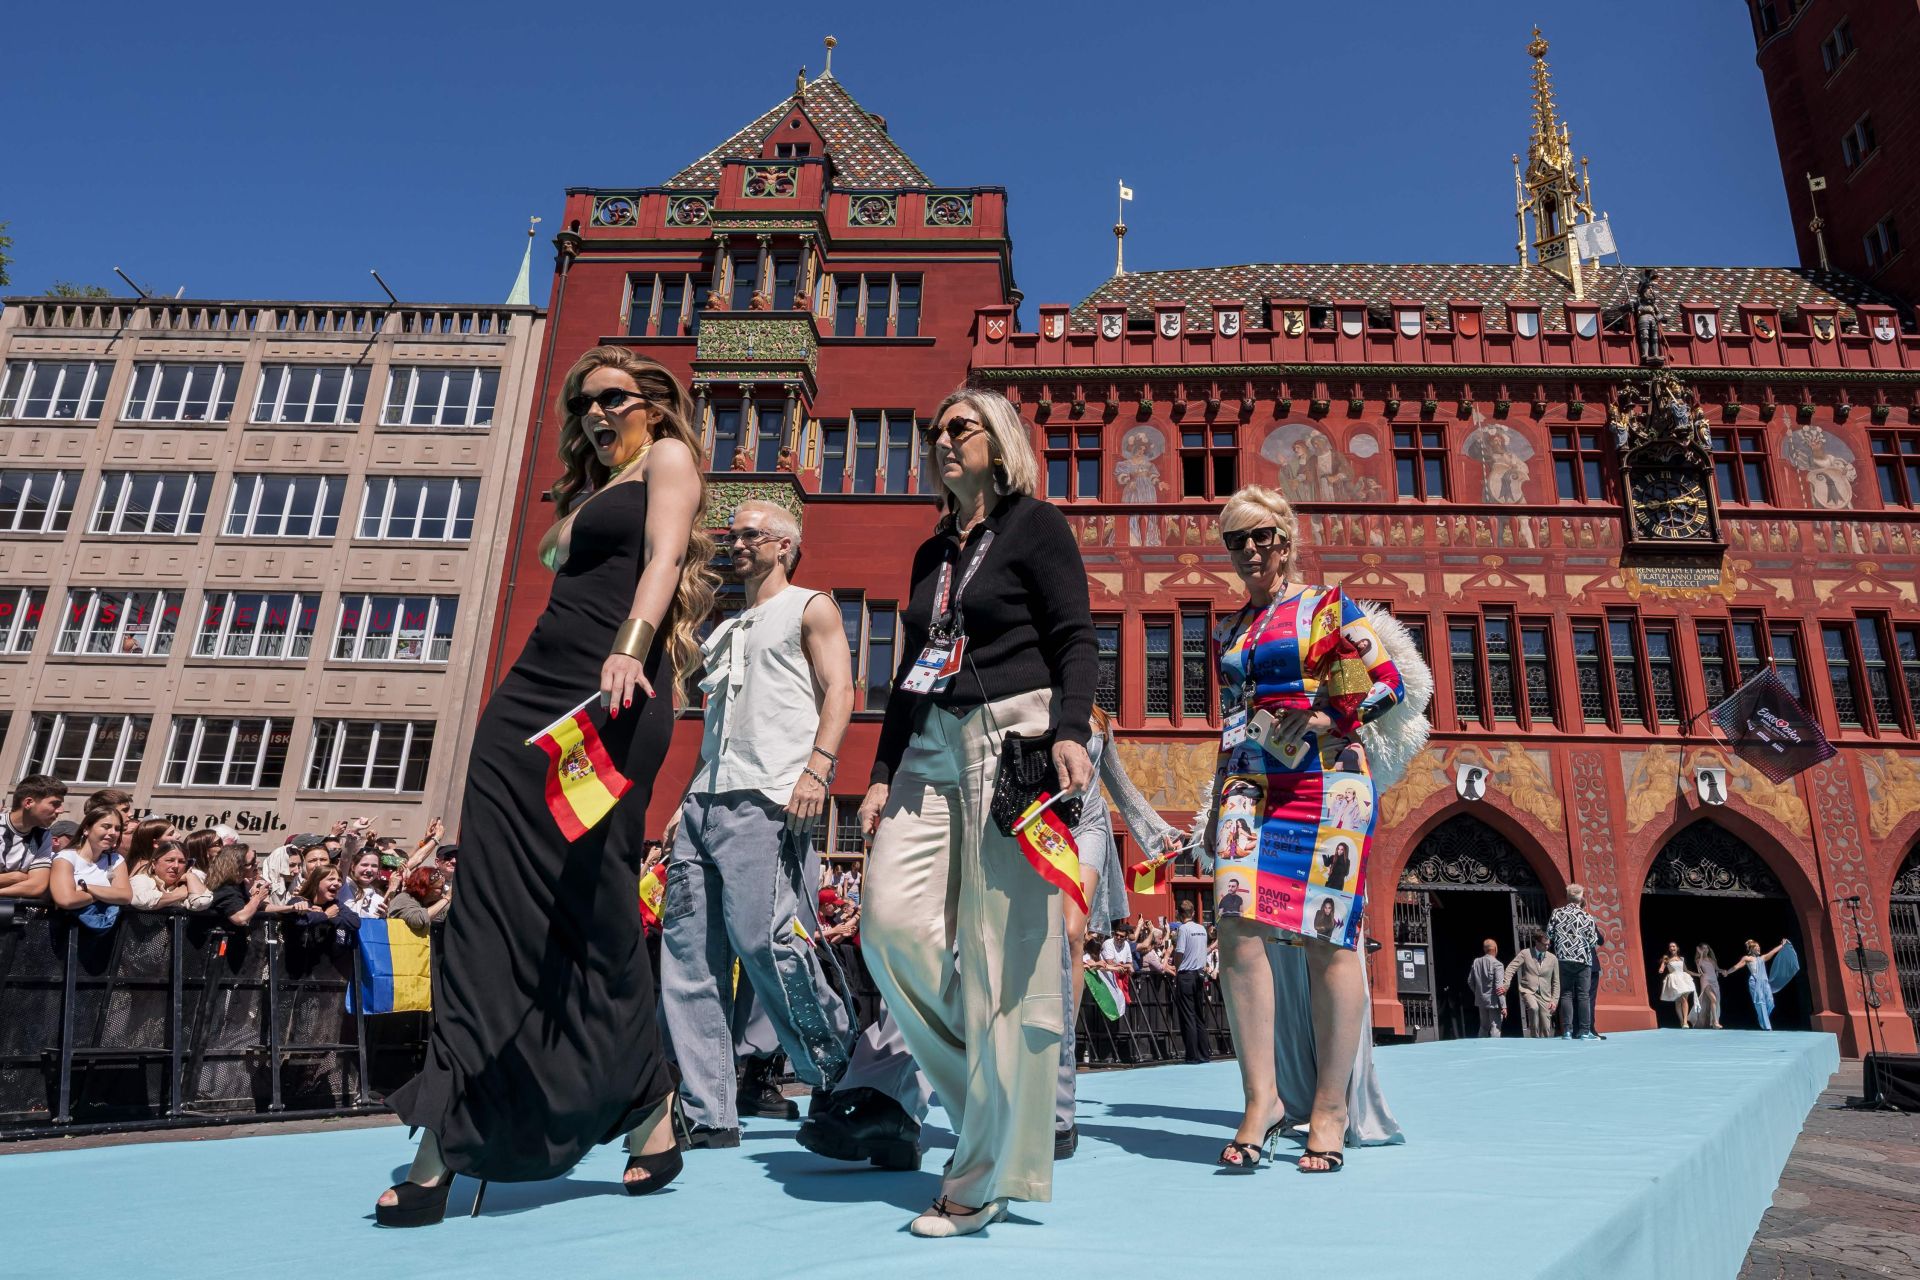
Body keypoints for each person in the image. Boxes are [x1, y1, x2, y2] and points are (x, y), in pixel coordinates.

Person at [380, 346, 714, 1224]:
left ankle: (643, 1097)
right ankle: (456, 1127)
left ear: (653, 401)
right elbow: (559, 551)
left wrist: (630, 650)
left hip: (613, 691)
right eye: (583, 404)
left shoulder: (669, 458)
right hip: (532, 693)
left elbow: (666, 560)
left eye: (614, 398)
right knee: (492, 900)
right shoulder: (586, 492)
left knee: (596, 901)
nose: (597, 414)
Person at [856, 385, 1096, 1239]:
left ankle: (982, 1171)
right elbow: (910, 665)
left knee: (1002, 957)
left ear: (998, 442)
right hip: (929, 741)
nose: (941, 438)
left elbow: (1075, 635)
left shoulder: (1037, 524)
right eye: (934, 430)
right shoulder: (930, 554)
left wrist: (1072, 727)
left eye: (960, 427)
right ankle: (996, 1103)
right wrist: (881, 770)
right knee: (886, 926)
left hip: (1013, 736)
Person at [1203, 484, 1403, 1174]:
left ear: (1286, 539)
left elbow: (1387, 682)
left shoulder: (1328, 608)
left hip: (1325, 782)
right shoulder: (1230, 630)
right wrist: (1212, 806)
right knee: (1236, 930)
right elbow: (1230, 720)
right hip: (1248, 785)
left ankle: (1329, 1107)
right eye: (1237, 540)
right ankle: (1261, 1100)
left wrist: (1330, 718)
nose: (1252, 550)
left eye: (1263, 536)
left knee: (1326, 938)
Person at [659, 498, 856, 1149]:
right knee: (688, 958)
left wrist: (818, 770)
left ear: (783, 546)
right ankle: (707, 1110)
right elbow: (719, 729)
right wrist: (684, 801)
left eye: (749, 533)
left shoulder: (811, 606)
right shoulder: (727, 627)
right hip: (705, 806)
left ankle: (839, 1075)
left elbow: (841, 690)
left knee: (768, 944)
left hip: (771, 800)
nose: (735, 542)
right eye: (732, 534)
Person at [1056, 704, 1183, 1157]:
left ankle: (1062, 1058)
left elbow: (1120, 787)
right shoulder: (1030, 694)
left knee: (1072, 932)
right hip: (1042, 826)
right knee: (1047, 938)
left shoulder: (1098, 719)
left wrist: (1158, 832)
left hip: (1087, 825)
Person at [48, 808, 131, 923]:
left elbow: (126, 896)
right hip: (68, 932)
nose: (113, 833)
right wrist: (108, 895)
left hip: (105, 933)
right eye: (106, 826)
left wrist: (86, 887)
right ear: (86, 829)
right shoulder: (65, 858)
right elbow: (66, 899)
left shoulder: (116, 860)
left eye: (117, 829)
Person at [1547, 884, 1602, 1040]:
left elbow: (1549, 933)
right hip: (1582, 959)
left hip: (1563, 958)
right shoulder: (1587, 917)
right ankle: (1585, 1031)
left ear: (1567, 896)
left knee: (1566, 994)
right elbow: (1593, 941)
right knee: (1583, 995)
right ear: (1581, 897)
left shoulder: (1557, 913)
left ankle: (1567, 1031)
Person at [0, 775, 66, 901]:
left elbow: (37, 886)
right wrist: (15, 877)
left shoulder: (43, 835)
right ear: (28, 803)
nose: (60, 810)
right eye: (55, 804)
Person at [1501, 930, 1560, 1038]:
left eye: (1548, 944)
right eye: (1544, 944)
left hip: (1545, 995)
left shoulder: (1553, 959)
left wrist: (1554, 1000)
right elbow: (1511, 968)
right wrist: (1506, 984)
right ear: (1537, 943)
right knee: (1533, 1008)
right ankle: (1534, 1037)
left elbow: (1556, 981)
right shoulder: (1525, 953)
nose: (1547, 947)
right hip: (1528, 990)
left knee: (1546, 1028)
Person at [1725, 939, 1790, 1031]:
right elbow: (1737, 966)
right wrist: (1727, 972)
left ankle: (1762, 1018)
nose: (1759, 948)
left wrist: (1782, 945)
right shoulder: (1747, 958)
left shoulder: (1762, 958)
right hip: (1755, 982)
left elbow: (1773, 952)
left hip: (1764, 982)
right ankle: (1767, 1026)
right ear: (1751, 949)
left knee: (1770, 1002)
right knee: (1760, 1003)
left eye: (1759, 947)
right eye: (1757, 947)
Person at [203, 845, 274, 929]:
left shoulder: (239, 884)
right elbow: (240, 918)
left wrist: (289, 908)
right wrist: (258, 898)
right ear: (237, 867)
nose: (257, 862)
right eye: (252, 861)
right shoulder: (225, 888)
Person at [131, 840, 210, 911]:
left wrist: (190, 876)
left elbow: (201, 903)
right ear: (154, 864)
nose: (176, 866)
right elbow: (140, 900)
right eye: (170, 860)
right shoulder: (141, 880)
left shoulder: (188, 885)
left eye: (181, 862)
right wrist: (177, 895)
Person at [386, 866, 452, 934]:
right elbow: (418, 920)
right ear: (424, 886)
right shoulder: (404, 899)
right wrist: (446, 898)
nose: (442, 891)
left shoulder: (428, 902)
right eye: (439, 888)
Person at [1469, 939, 1506, 1038]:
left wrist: (1478, 993)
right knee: (1495, 1026)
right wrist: (1504, 1006)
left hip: (1481, 1000)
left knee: (1484, 1026)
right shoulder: (1498, 964)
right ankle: (1495, 1049)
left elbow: (1470, 981)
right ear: (1495, 949)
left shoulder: (1476, 962)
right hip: (1493, 1001)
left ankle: (1482, 1048)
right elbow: (1499, 987)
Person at [1655, 941, 1696, 1028]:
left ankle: (1685, 1022)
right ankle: (1682, 1021)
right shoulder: (1666, 959)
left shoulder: (1682, 959)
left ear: (1677, 948)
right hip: (1675, 980)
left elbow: (1686, 970)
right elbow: (1662, 967)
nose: (1672, 948)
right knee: (1678, 1002)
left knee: (1684, 999)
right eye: (1670, 947)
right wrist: (1661, 969)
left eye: (1673, 946)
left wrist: (1697, 974)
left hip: (1684, 979)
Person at [340, 850, 388, 919]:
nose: (369, 870)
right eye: (364, 865)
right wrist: (350, 844)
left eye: (374, 866)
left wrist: (381, 917)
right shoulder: (343, 886)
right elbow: (344, 862)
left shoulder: (379, 899)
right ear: (353, 867)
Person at [1690, 944, 1724, 1029]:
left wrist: (1723, 971)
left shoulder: (1712, 960)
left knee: (1716, 1001)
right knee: (1713, 999)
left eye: (1707, 948)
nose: (1705, 950)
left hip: (1714, 981)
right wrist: (1701, 954)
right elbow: (1699, 966)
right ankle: (1715, 1022)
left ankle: (1714, 1021)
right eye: (1703, 948)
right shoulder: (1698, 959)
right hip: (1705, 979)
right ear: (1700, 950)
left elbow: (1717, 969)